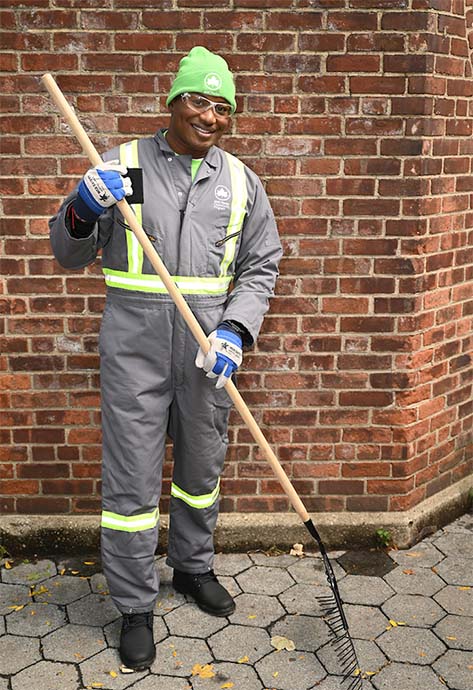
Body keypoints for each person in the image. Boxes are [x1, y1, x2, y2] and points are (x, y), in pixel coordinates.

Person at [49, 46, 282, 670]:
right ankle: (134, 606)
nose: (212, 115)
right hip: (135, 353)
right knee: (130, 484)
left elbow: (262, 265)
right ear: (173, 102)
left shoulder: (240, 182)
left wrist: (236, 329)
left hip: (208, 356)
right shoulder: (122, 168)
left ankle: (192, 568)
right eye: (201, 100)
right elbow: (69, 254)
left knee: (201, 473)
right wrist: (82, 208)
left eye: (224, 106)